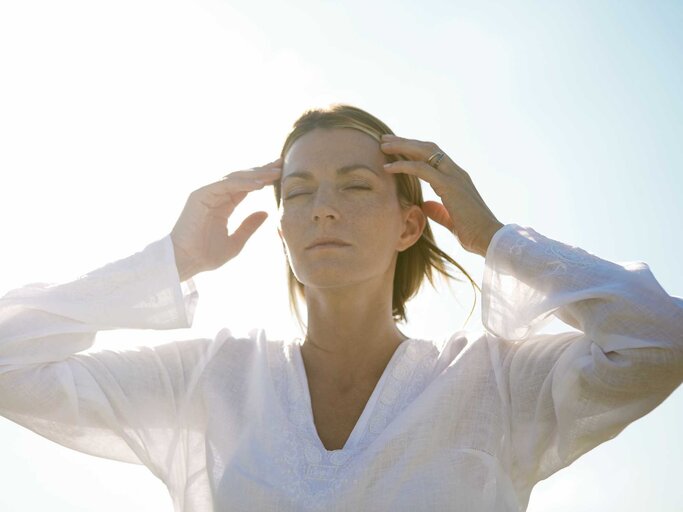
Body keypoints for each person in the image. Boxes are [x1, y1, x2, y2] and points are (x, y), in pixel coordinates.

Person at [0, 104, 681, 512]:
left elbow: (661, 340)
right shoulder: (208, 379)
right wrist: (170, 261)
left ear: (409, 225)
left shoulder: (497, 385)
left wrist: (497, 241)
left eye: (356, 185)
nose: (322, 205)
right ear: (283, 227)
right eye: (298, 192)